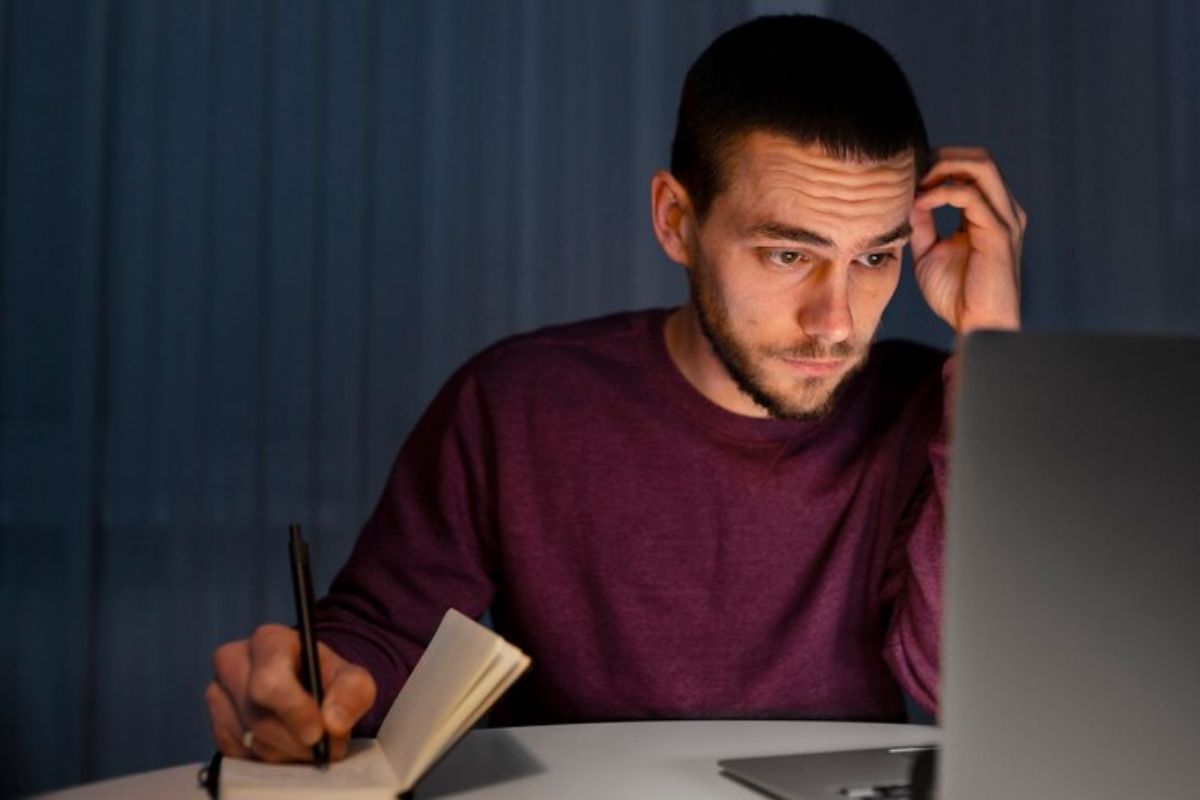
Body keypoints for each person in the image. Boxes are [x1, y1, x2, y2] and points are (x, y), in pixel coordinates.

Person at [205, 14, 1025, 763]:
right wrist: (308, 688)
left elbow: (979, 688)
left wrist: (990, 354)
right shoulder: (519, 404)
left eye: (875, 258)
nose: (836, 322)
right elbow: (378, 640)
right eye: (788, 254)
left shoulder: (940, 411)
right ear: (675, 220)